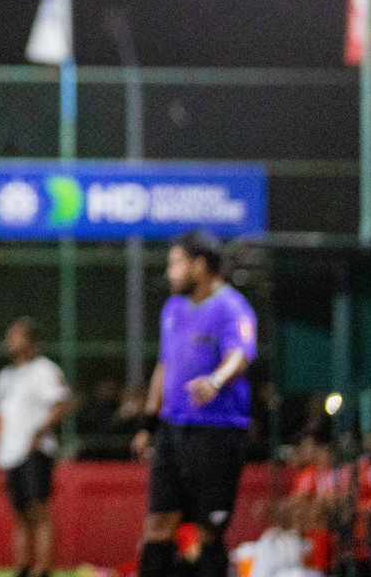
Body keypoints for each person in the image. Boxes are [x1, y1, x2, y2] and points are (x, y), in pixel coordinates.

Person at [132, 232, 257, 577]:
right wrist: (148, 424)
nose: (170, 272)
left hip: (217, 434)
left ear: (199, 266)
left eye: (175, 263)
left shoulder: (232, 307)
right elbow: (164, 365)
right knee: (158, 524)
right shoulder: (172, 309)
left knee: (209, 531)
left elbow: (240, 355)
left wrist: (215, 381)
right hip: (173, 431)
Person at [0, 317, 70, 577]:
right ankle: (22, 566)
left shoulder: (44, 370)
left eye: (17, 335)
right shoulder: (5, 376)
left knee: (39, 510)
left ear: (32, 342)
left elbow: (61, 403)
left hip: (34, 451)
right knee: (19, 512)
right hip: (10, 452)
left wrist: (41, 430)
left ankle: (43, 567)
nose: (10, 340)